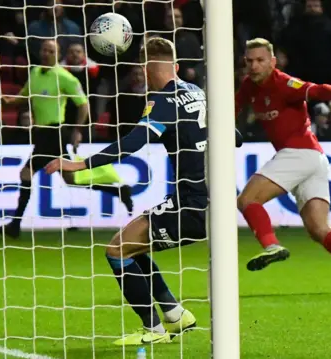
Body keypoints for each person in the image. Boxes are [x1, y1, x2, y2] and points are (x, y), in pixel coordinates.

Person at [46, 37, 243, 345]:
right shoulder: (199, 93)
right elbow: (236, 137)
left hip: (192, 204)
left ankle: (153, 329)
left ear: (147, 67)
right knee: (132, 246)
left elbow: (134, 142)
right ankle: (176, 314)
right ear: (176, 66)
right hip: (215, 199)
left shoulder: (163, 101)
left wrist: (80, 165)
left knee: (116, 250)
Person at [235, 38, 331, 293]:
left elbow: (315, 89)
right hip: (313, 158)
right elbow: (232, 108)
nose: (254, 66)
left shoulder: (283, 83)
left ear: (272, 62)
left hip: (299, 153)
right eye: (249, 61)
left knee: (247, 200)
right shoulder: (248, 86)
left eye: (260, 60)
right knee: (317, 228)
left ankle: (270, 245)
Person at [0, 39, 133, 239]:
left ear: (58, 55)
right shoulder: (35, 73)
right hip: (42, 132)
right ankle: (120, 192)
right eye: (44, 50)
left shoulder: (65, 78)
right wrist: (9, 101)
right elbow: (25, 96)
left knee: (26, 173)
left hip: (54, 132)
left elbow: (83, 105)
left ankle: (15, 225)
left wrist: (77, 130)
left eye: (51, 51)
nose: (47, 53)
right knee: (71, 179)